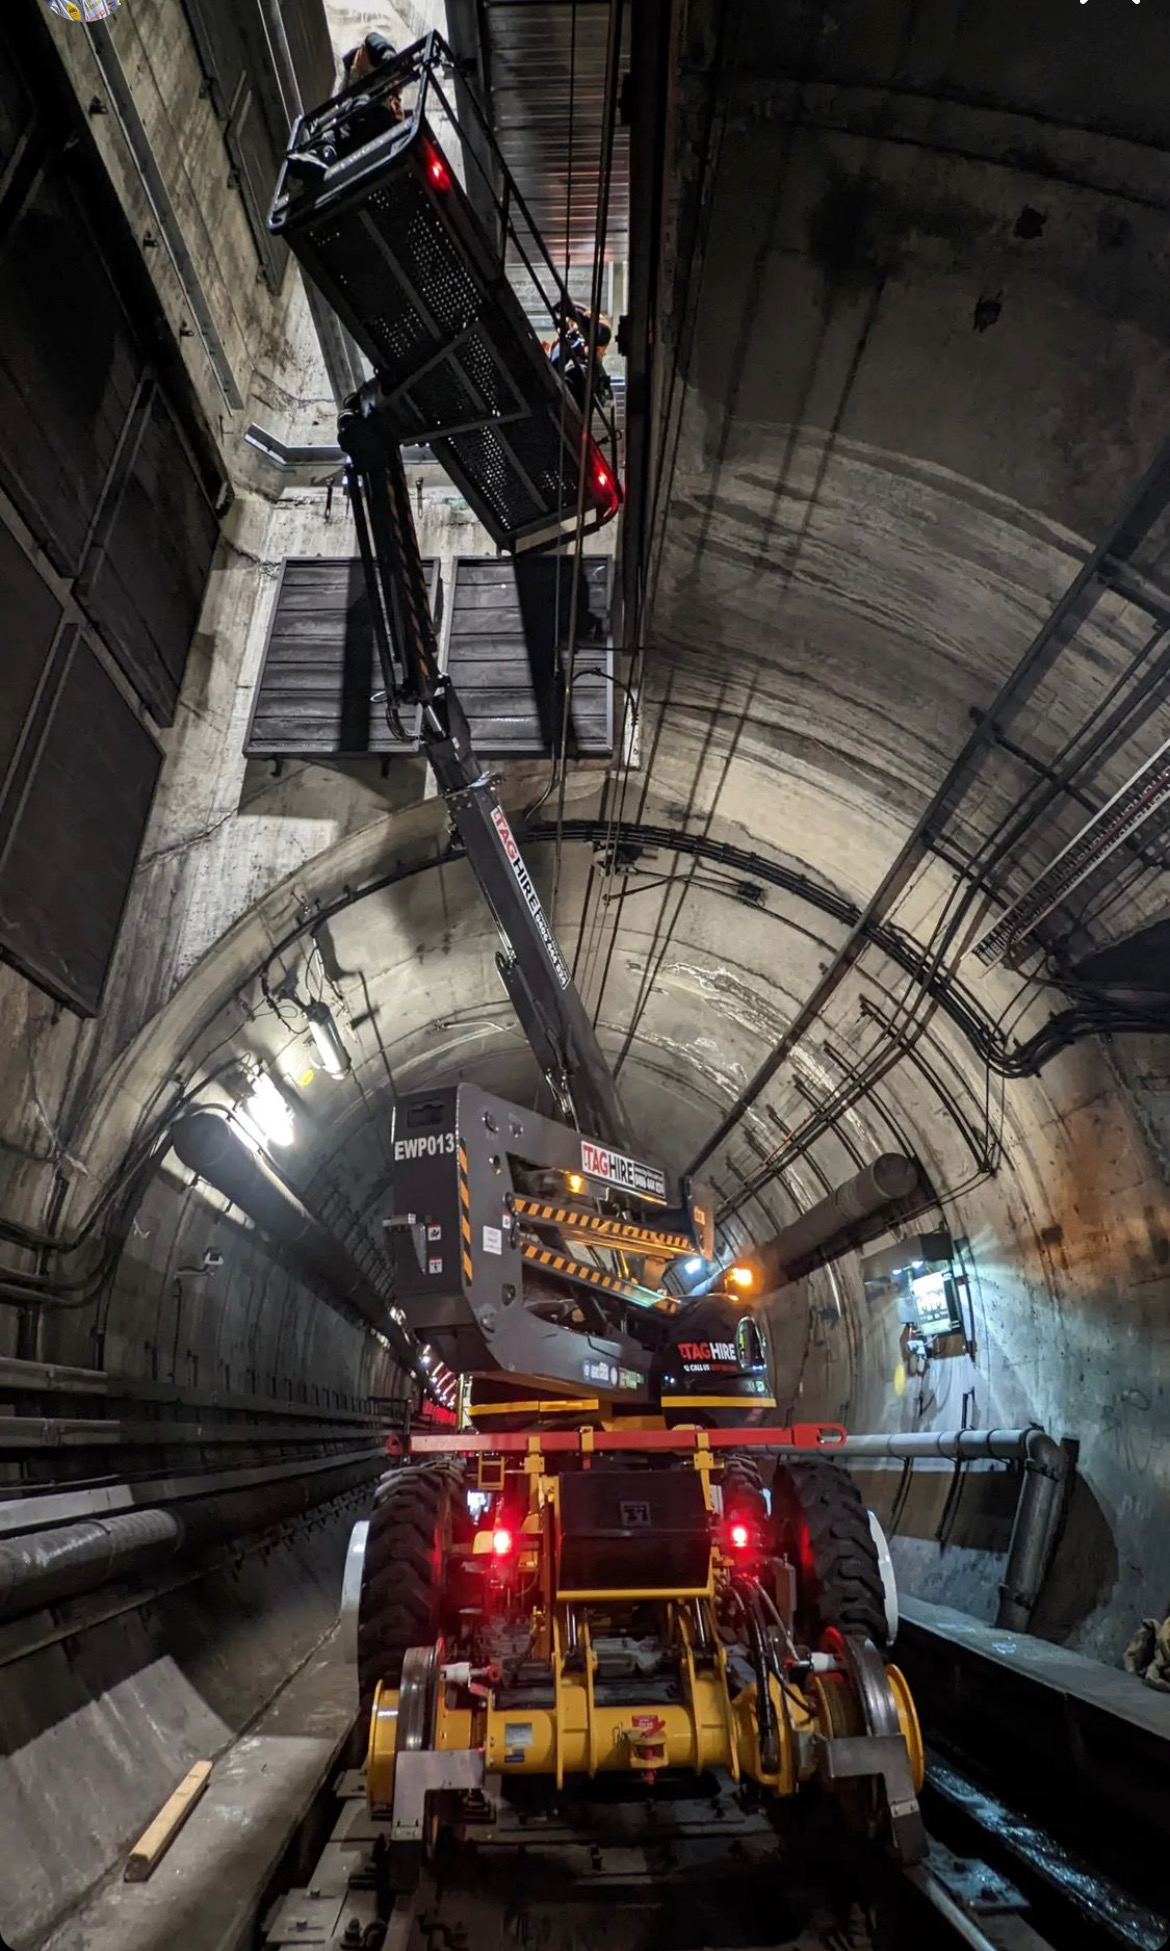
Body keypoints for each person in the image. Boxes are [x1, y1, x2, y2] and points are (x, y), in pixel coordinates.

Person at [546, 299, 614, 417]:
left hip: (584, 375)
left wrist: (573, 312)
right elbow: (555, 363)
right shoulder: (565, 342)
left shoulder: (597, 330)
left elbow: (600, 332)